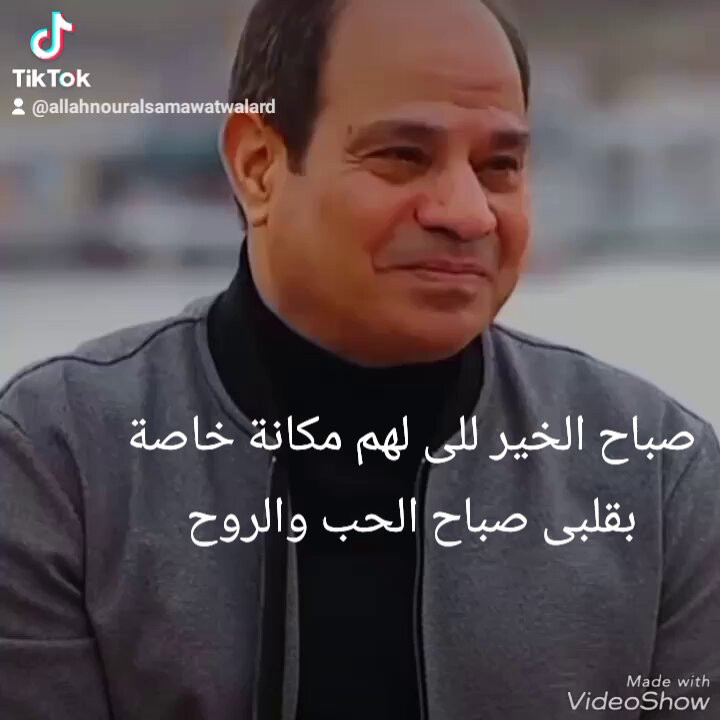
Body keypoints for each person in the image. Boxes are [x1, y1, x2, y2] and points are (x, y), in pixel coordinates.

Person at [1, 0, 718, 718]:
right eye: (403, 156)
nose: (468, 212)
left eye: (500, 166)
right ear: (258, 166)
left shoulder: (658, 478)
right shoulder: (61, 462)